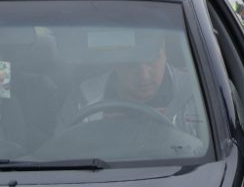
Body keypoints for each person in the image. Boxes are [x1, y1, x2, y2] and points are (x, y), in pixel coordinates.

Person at [57, 31, 201, 137]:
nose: (144, 75)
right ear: (115, 63)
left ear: (165, 53)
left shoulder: (197, 95)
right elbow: (62, 153)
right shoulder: (83, 100)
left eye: (152, 61)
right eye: (131, 65)